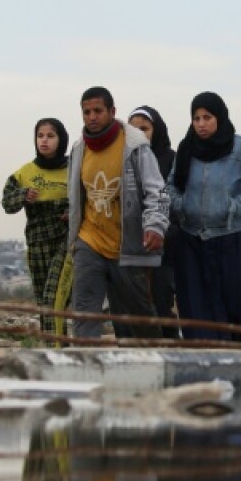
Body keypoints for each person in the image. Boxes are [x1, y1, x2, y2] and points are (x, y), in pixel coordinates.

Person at [66, 86, 169, 340]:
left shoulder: (135, 145)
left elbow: (156, 190)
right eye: (86, 112)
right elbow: (78, 193)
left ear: (112, 111)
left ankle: (152, 359)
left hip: (127, 244)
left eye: (98, 111)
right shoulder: (79, 148)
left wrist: (155, 225)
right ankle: (86, 364)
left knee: (138, 313)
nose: (92, 117)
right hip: (89, 240)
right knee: (85, 311)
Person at [167, 91, 241, 341]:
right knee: (193, 307)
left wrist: (234, 207)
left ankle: (235, 368)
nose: (201, 124)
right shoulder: (186, 148)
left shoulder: (239, 147)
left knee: (231, 308)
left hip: (230, 239)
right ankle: (200, 365)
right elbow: (171, 185)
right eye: (196, 118)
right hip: (191, 240)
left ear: (220, 118)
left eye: (207, 117)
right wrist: (181, 205)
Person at [1, 118, 70, 336]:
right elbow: (7, 203)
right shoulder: (25, 173)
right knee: (44, 302)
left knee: (53, 297)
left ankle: (58, 349)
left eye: (50, 136)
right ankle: (55, 348)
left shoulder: (75, 169)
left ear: (61, 139)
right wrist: (23, 195)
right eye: (40, 136)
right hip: (37, 245)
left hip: (65, 243)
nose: (44, 141)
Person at [127, 105, 180, 339]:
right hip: (130, 246)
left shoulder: (171, 159)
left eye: (144, 128)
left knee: (161, 304)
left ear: (155, 130)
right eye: (133, 129)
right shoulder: (124, 158)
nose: (139, 133)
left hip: (163, 246)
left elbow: (175, 199)